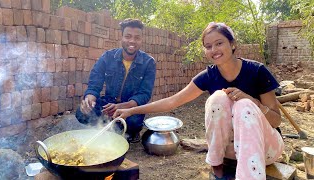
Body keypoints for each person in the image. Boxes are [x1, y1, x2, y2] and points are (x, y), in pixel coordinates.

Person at [114, 22, 284, 179]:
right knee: (218, 97)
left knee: (244, 105)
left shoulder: (257, 71)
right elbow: (172, 101)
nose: (214, 49)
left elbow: (276, 120)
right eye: (208, 46)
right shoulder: (208, 76)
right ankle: (216, 166)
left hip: (264, 149)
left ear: (232, 44)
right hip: (230, 151)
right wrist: (131, 111)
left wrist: (252, 101)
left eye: (219, 43)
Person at [76, 18, 156, 143]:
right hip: (109, 103)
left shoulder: (148, 62)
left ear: (141, 40)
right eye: (128, 36)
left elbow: (144, 94)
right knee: (82, 113)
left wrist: (121, 106)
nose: (132, 41)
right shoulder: (108, 57)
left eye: (137, 38)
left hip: (129, 106)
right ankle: (108, 128)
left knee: (133, 122)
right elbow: (95, 82)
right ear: (121, 37)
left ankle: (125, 131)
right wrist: (90, 99)